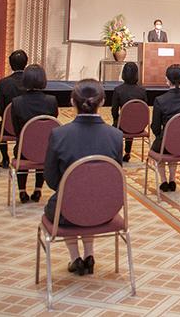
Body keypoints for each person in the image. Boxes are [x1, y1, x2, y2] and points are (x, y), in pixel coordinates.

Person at [43, 79, 123, 276]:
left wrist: (71, 188)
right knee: (91, 197)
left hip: (66, 211)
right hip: (104, 210)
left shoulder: (59, 135)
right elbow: (114, 178)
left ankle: (75, 258)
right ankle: (89, 254)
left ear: (72, 101)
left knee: (69, 201)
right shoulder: (116, 135)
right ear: (102, 102)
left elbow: (51, 179)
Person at [11, 64, 59, 203]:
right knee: (43, 147)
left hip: (23, 149)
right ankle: (38, 189)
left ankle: (22, 191)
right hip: (45, 150)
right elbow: (52, 125)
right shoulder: (52, 101)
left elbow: (17, 130)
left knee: (21, 147)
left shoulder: (17, 102)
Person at [150, 64, 180, 191]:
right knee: (176, 140)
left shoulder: (160, 100)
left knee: (166, 142)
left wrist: (161, 136)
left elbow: (155, 127)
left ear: (166, 79)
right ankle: (172, 179)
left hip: (166, 145)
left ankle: (163, 180)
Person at [0, 49, 28, 169]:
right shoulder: (32, 82)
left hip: (9, 126)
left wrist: (7, 119)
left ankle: (5, 159)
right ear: (26, 63)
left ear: (10, 64)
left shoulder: (4, 83)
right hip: (30, 126)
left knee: (0, 126)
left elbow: (0, 106)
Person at [110, 62, 147, 162]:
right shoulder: (142, 91)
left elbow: (114, 110)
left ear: (123, 74)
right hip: (139, 126)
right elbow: (144, 110)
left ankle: (115, 153)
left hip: (123, 125)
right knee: (131, 119)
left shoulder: (118, 90)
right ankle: (128, 152)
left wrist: (116, 120)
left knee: (121, 123)